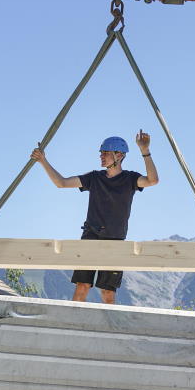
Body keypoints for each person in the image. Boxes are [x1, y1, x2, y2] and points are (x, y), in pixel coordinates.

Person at [31, 130, 158, 303]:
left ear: (119, 155)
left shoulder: (130, 179)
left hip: (115, 241)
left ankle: (109, 330)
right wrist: (43, 161)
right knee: (82, 286)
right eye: (101, 153)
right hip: (90, 236)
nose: (101, 156)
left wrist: (145, 150)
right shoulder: (94, 178)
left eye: (105, 153)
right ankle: (72, 326)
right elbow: (61, 183)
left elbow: (153, 180)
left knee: (107, 293)